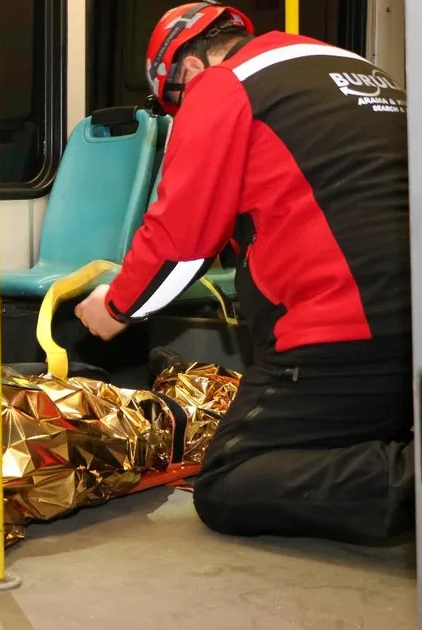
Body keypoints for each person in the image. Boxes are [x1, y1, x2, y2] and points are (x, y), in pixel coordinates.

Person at [74, 2, 412, 544]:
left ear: (185, 69)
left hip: (342, 331)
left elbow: (181, 242)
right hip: (405, 329)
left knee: (229, 482)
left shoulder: (224, 85)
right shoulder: (357, 70)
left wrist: (117, 307)